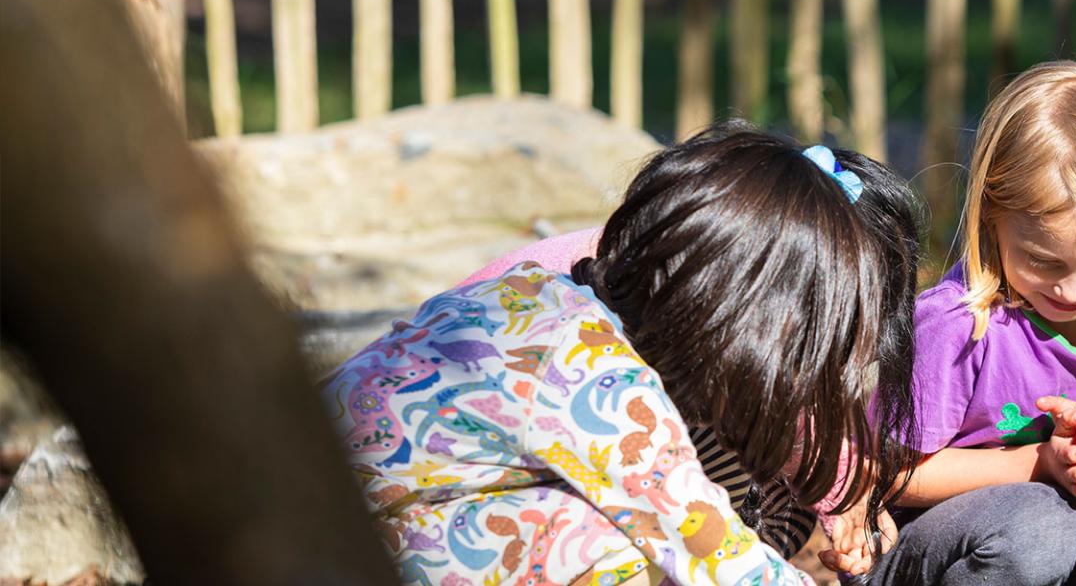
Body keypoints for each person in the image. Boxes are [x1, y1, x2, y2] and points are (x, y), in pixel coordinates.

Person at [320, 121, 924, 585]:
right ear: (752, 328)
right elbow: (720, 557)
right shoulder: (603, 386)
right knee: (616, 548)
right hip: (339, 549)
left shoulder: (539, 296)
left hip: (318, 520)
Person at [861, 60, 1076, 585]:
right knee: (1034, 526)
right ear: (992, 214)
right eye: (1044, 260)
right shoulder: (958, 325)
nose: (1073, 291)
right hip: (927, 549)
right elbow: (889, 473)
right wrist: (1040, 461)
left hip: (1047, 538)